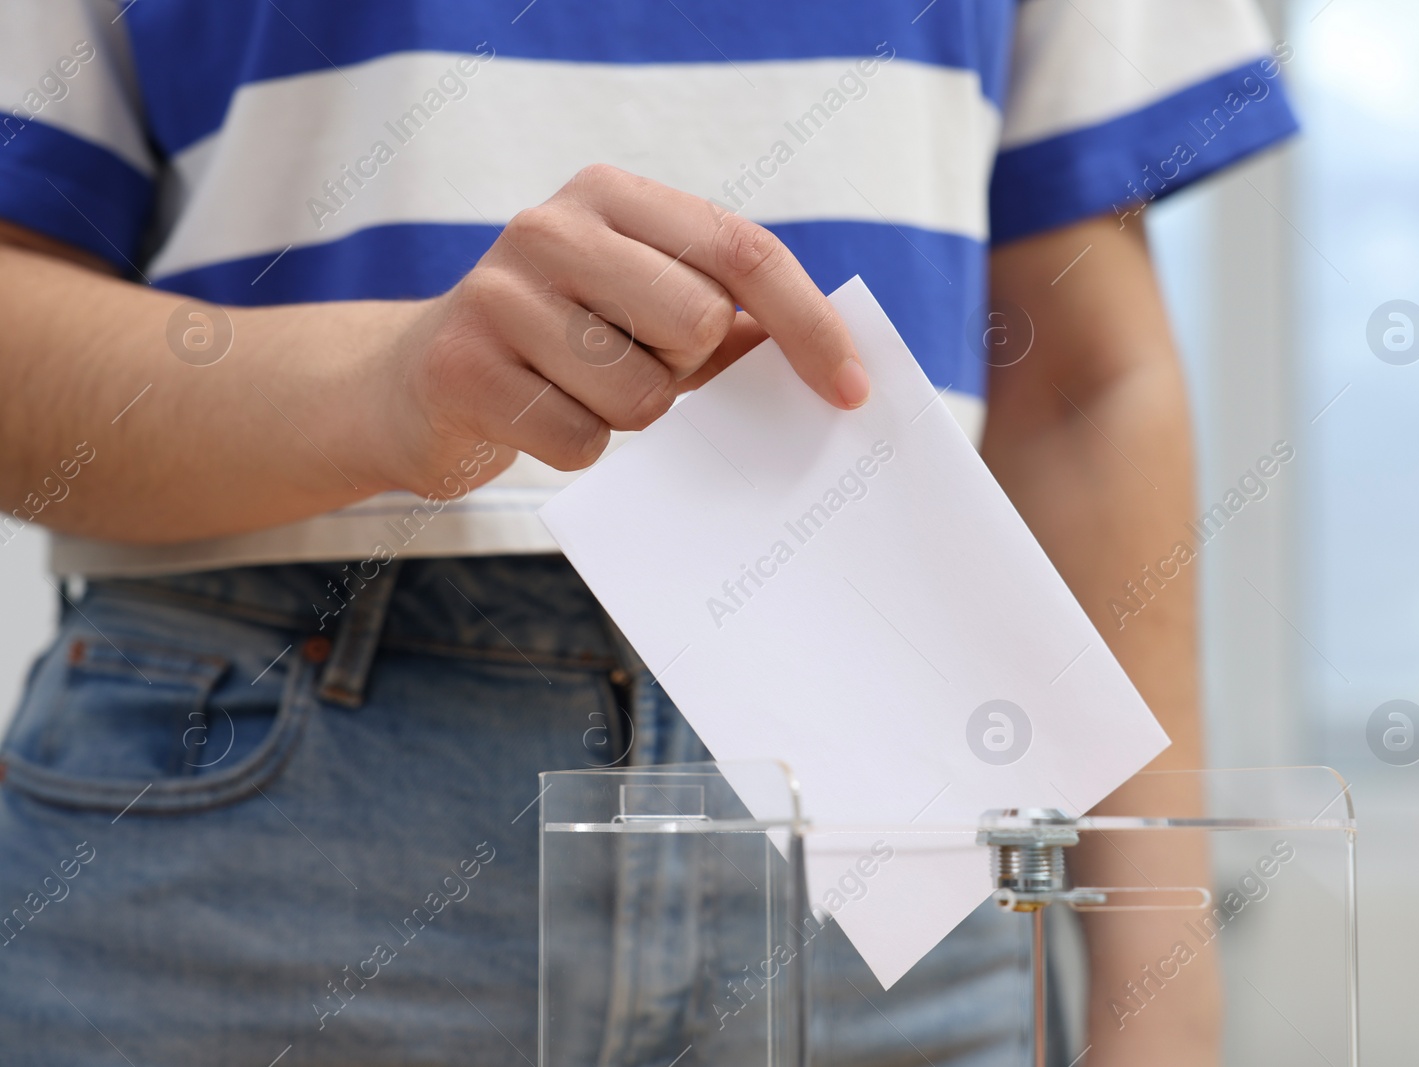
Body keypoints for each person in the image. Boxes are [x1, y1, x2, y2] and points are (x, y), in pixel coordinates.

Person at [0, 2, 1296, 1064]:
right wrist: (382, 384)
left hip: (901, 807)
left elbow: (1080, 387)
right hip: (261, 833)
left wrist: (1157, 999)